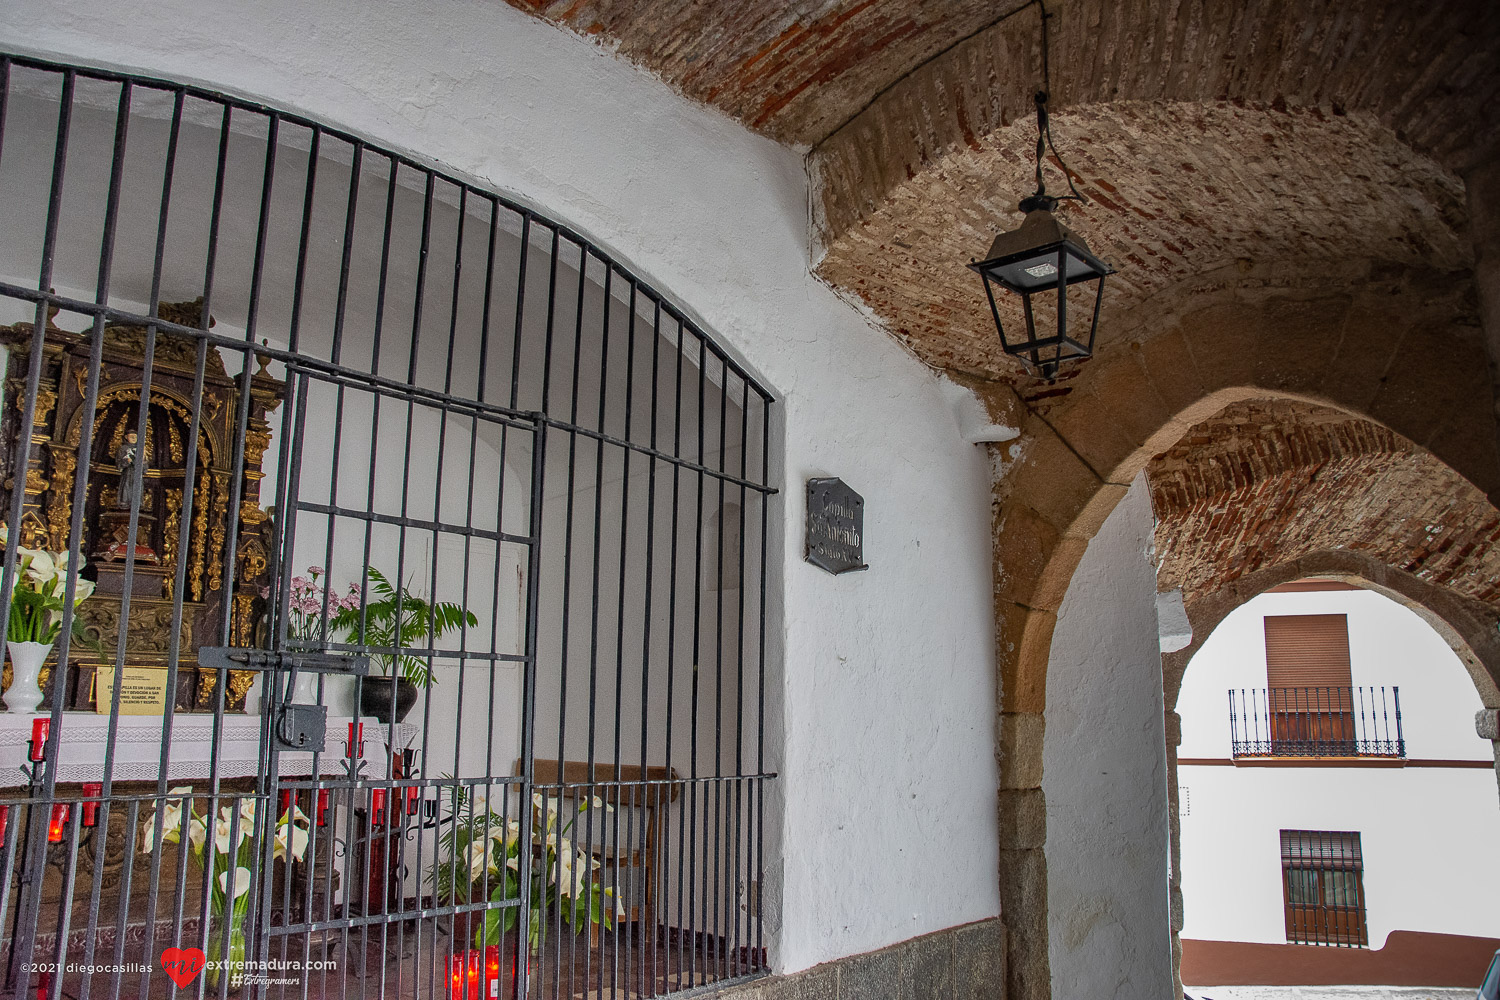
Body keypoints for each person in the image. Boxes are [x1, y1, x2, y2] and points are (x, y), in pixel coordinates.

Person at [115, 429, 142, 510]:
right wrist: (127, 461)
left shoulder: (141, 449)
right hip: (127, 473)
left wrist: (142, 461)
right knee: (126, 488)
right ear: (126, 437)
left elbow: (145, 466)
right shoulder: (123, 449)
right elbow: (118, 464)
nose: (134, 438)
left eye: (135, 437)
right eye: (131, 437)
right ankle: (124, 502)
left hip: (136, 473)